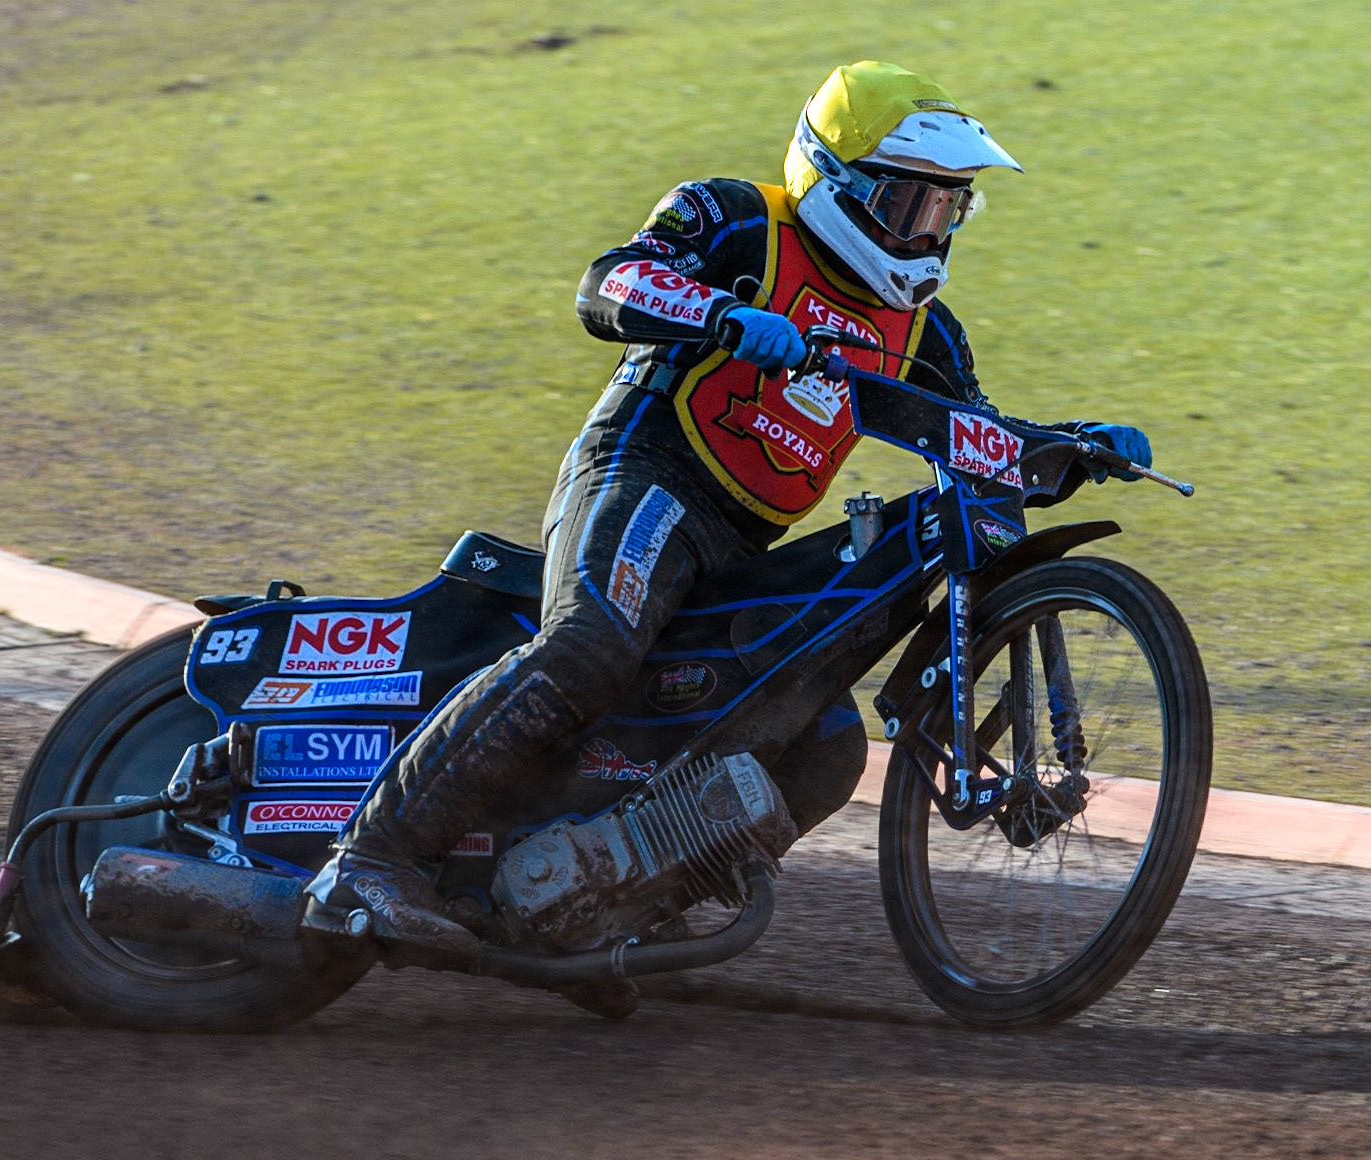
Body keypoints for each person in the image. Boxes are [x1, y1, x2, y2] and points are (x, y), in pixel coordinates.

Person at [306, 61, 1152, 967]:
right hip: (642, 475)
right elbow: (610, 285)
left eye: (949, 209)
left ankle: (606, 916)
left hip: (745, 548)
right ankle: (368, 860)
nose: (930, 231)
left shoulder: (927, 334)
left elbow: (970, 443)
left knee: (825, 747)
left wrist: (1063, 449)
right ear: (839, 183)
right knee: (593, 641)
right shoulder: (736, 218)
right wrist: (719, 315)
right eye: (911, 205)